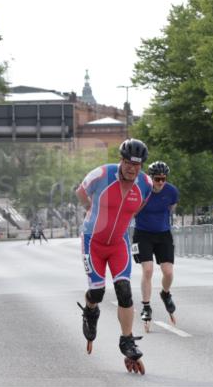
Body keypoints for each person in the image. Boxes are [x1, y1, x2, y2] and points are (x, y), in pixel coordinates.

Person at [75, 139, 154, 374]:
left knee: (124, 290)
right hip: (93, 241)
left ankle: (127, 340)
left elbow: (137, 207)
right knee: (97, 292)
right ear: (121, 160)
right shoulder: (102, 174)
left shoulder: (146, 184)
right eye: (129, 163)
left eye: (137, 165)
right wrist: (92, 210)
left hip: (118, 243)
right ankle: (90, 310)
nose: (132, 168)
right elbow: (81, 193)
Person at [133, 161, 180, 330]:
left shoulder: (172, 191)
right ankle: (146, 307)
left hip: (163, 234)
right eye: (157, 179)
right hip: (143, 234)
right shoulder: (141, 190)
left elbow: (171, 208)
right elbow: (132, 211)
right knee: (148, 270)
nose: (160, 182)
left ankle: (165, 294)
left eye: (163, 179)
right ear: (150, 178)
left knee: (168, 272)